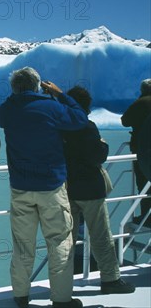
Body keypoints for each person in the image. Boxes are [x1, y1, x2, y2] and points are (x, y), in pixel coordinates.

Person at [0, 67, 88, 308]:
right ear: (38, 86)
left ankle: (21, 295)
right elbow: (80, 118)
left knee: (23, 245)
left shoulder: (8, 111)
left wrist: (18, 94)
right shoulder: (52, 107)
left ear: (14, 88)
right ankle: (61, 299)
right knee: (59, 242)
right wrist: (59, 94)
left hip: (21, 188)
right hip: (52, 187)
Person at [63, 86, 135, 294]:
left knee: (66, 237)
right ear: (85, 106)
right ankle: (110, 279)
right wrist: (103, 145)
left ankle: (62, 281)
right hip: (90, 190)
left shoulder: (60, 127)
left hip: (67, 188)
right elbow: (97, 156)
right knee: (100, 235)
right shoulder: (87, 126)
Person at [121, 78, 151, 226]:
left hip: (143, 150)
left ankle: (146, 216)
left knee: (143, 182)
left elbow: (125, 120)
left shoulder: (141, 103)